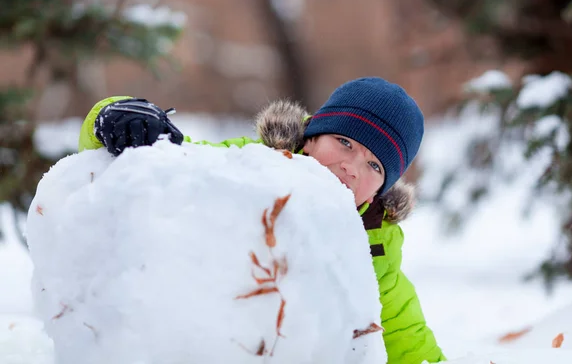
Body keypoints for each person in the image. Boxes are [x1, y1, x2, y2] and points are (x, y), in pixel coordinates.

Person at [78, 77, 446, 364]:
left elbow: (404, 334)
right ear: (311, 138)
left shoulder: (374, 245)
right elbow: (172, 164)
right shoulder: (250, 168)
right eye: (344, 142)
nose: (350, 168)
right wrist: (115, 116)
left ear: (380, 189)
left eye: (374, 165)